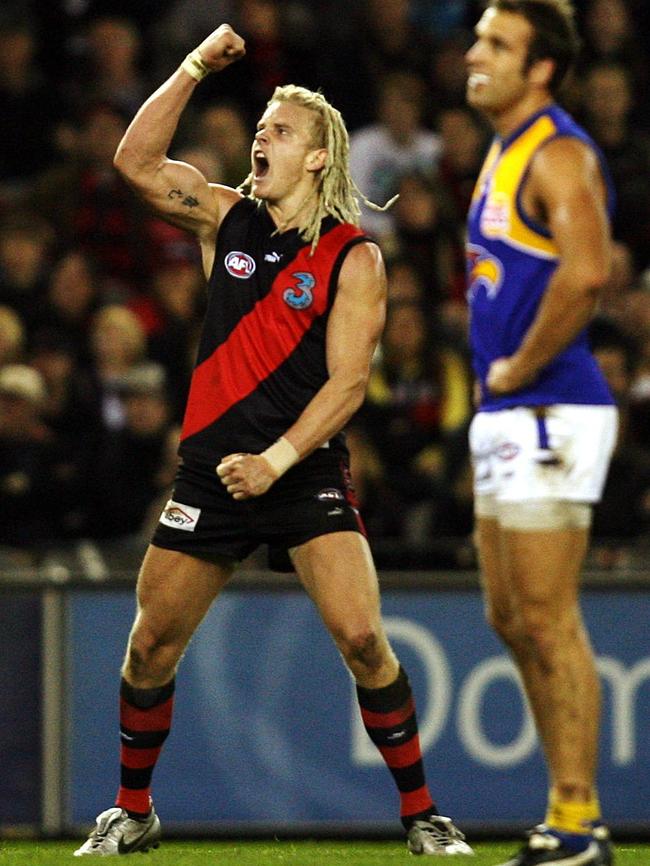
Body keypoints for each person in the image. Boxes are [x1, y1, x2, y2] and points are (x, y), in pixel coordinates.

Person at [73, 23, 472, 858]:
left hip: (300, 470)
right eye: (259, 127)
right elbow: (134, 165)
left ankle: (425, 816)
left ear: (320, 155)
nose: (261, 138)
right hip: (212, 472)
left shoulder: (354, 257)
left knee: (365, 642)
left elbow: (349, 386)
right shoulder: (226, 219)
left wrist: (277, 462)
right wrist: (190, 66)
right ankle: (132, 810)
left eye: (280, 130)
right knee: (149, 645)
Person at [464, 2, 618, 865]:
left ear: (543, 69)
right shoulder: (506, 147)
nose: (476, 52)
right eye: (479, 37)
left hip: (551, 406)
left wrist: (520, 366)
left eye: (498, 43)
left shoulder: (558, 150)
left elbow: (589, 271)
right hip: (510, 412)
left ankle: (577, 818)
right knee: (509, 616)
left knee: (548, 617)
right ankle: (567, 811)